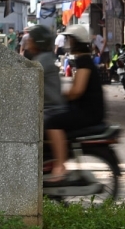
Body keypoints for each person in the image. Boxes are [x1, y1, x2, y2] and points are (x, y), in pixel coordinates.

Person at [45, 24, 106, 183]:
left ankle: (59, 166)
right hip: (84, 109)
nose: (67, 43)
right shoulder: (83, 61)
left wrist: (61, 97)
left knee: (52, 123)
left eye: (69, 40)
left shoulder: (84, 62)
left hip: (89, 112)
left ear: (76, 42)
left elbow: (77, 91)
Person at [25, 25, 65, 116]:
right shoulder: (44, 57)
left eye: (30, 39)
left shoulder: (42, 60)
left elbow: (27, 82)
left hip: (51, 110)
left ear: (37, 42)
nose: (28, 42)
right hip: (48, 108)